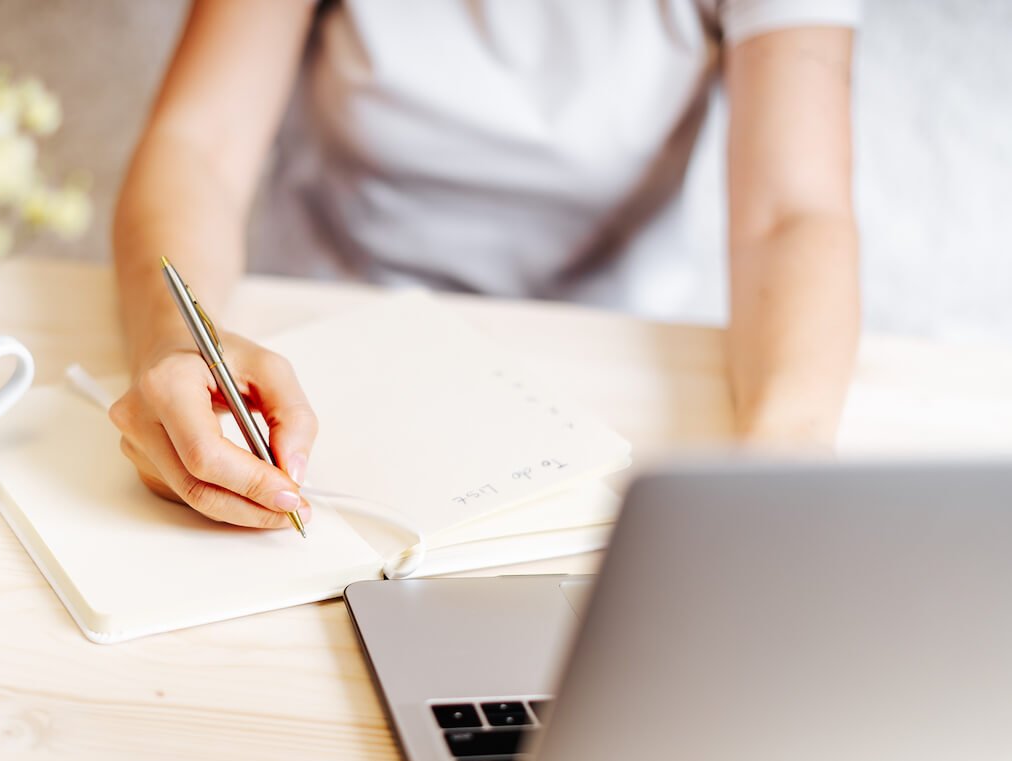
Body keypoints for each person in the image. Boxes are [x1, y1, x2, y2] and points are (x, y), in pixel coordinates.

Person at [109, 0, 861, 531]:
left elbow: (793, 213)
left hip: (610, 369)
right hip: (316, 361)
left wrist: (784, 457)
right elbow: (197, 147)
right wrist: (177, 336)